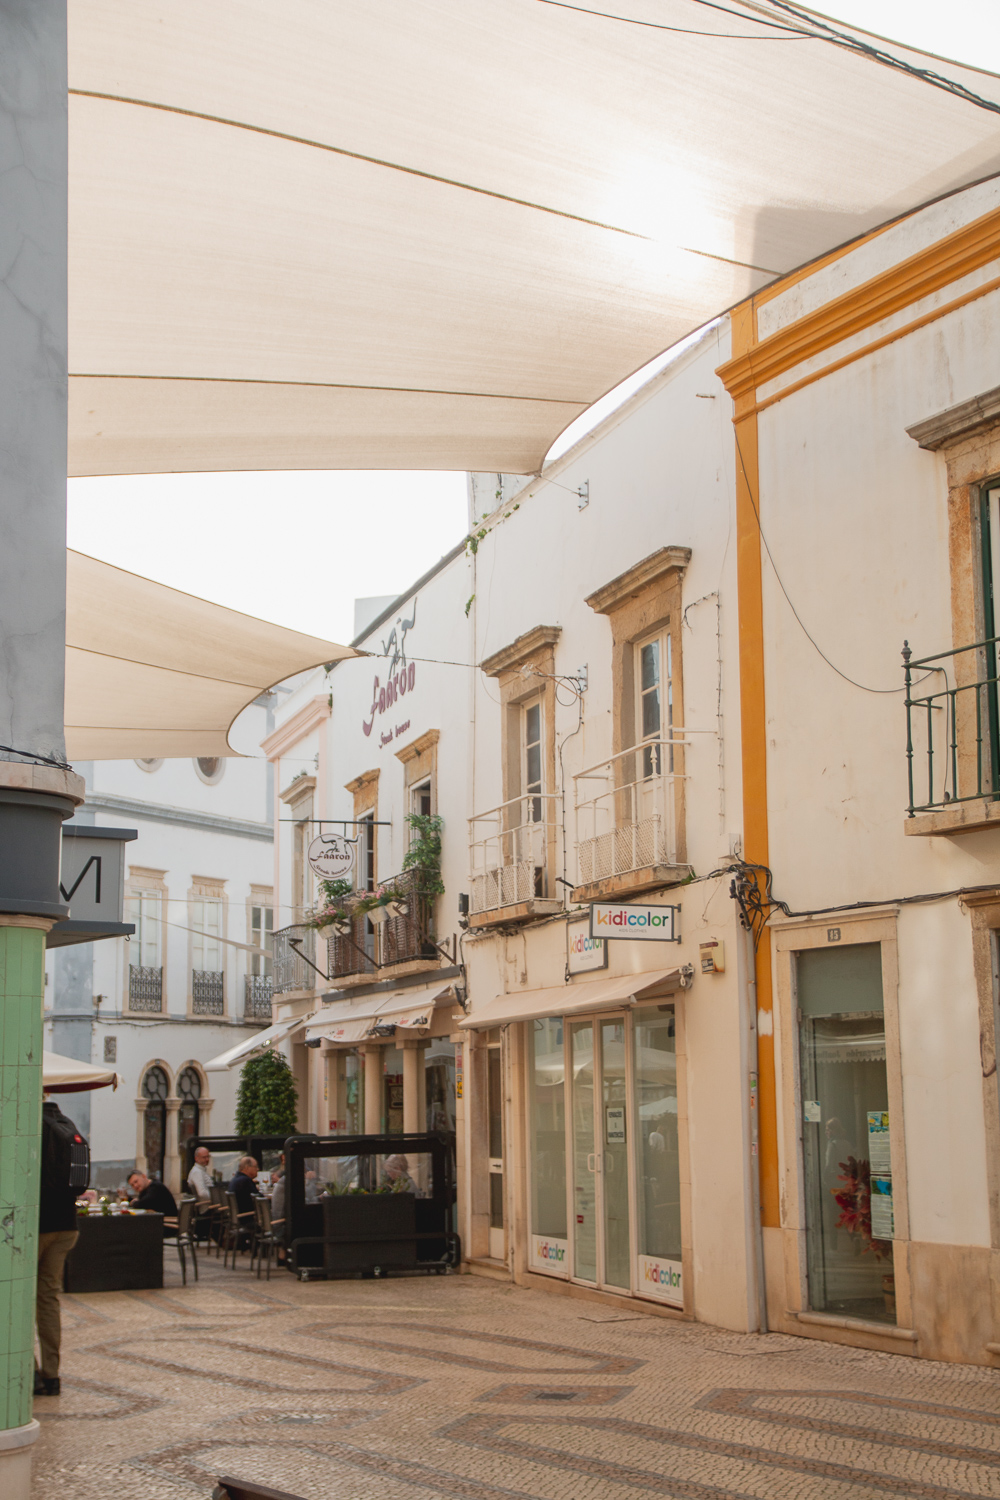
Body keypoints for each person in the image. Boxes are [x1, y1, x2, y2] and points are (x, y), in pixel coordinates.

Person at [36, 1099, 87, 1396]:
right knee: (48, 1298)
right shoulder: (67, 1124)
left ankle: (27, 1371)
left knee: (17, 1295)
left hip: (39, 1225)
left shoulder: (33, 1126)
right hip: (67, 1226)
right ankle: (52, 1375)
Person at [127, 1170, 178, 1235]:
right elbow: (141, 1203)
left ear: (144, 1176)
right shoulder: (146, 1189)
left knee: (133, 1229)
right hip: (160, 1222)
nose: (135, 1185)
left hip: (168, 1225)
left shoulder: (155, 1187)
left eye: (136, 1181)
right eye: (132, 1185)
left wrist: (134, 1203)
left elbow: (142, 1204)